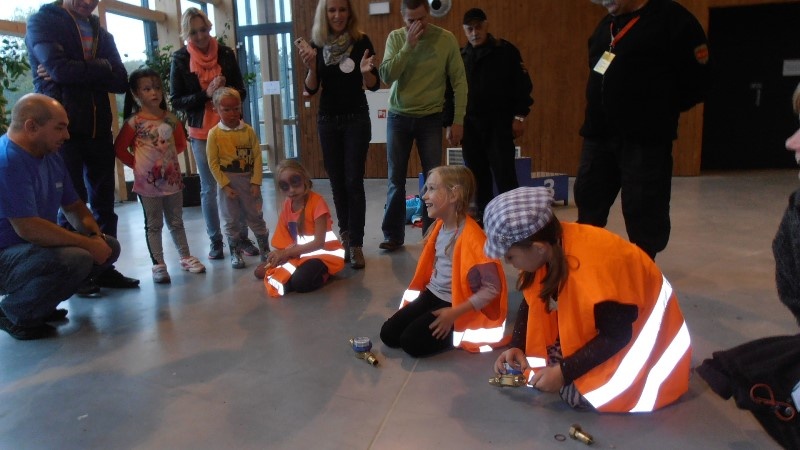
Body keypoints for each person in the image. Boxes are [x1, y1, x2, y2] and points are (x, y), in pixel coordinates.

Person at [485, 187, 690, 412]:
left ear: (538, 248)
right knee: (550, 370)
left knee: (575, 394)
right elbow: (532, 297)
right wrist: (517, 345)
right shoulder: (552, 244)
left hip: (646, 346)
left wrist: (564, 372)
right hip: (618, 324)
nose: (508, 262)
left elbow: (617, 336)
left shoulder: (592, 269)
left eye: (510, 256)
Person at [573, 0, 711, 259]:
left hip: (645, 139)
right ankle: (587, 266)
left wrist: (658, 111)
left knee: (644, 208)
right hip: (599, 135)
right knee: (589, 200)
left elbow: (698, 81)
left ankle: (643, 268)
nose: (603, 2)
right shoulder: (606, 26)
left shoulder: (674, 21)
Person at [26, 0, 139, 292]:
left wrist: (77, 68)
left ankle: (103, 267)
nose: (89, 2)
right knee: (69, 204)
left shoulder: (101, 33)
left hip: (98, 128)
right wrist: (101, 67)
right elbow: (59, 71)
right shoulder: (43, 22)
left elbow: (119, 80)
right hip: (62, 131)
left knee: (104, 203)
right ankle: (74, 274)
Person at [0, 94, 122, 340]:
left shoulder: (50, 155)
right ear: (31, 126)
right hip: (7, 254)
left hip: (32, 250)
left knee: (109, 247)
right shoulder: (8, 161)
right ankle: (13, 312)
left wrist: (95, 237)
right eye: (59, 128)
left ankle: (39, 305)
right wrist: (87, 245)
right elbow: (28, 228)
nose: (66, 135)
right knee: (76, 258)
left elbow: (74, 206)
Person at [380, 165, 509, 357]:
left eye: (432, 189)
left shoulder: (474, 239)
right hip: (433, 294)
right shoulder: (439, 226)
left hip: (456, 304)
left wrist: (455, 313)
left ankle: (457, 330)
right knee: (389, 334)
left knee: (410, 342)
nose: (424, 196)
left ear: (454, 194)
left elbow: (492, 288)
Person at [378, 0, 468, 251]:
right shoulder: (396, 38)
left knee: (434, 180)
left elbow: (459, 82)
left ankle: (432, 233)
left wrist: (457, 120)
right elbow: (386, 76)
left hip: (431, 118)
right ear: (403, 19)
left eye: (422, 19)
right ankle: (393, 235)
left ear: (429, 15)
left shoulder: (445, 39)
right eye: (411, 21)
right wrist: (408, 46)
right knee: (395, 179)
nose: (417, 25)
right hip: (398, 117)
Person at [298, 0, 381, 270]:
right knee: (337, 182)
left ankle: (356, 244)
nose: (337, 15)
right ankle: (345, 236)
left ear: (349, 12)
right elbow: (311, 89)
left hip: (356, 117)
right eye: (332, 10)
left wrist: (366, 73)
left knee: (353, 181)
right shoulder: (317, 44)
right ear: (324, 13)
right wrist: (312, 68)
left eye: (342, 9)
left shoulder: (361, 41)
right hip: (328, 120)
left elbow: (374, 85)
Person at [170, 7, 257, 261]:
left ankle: (241, 238)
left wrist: (226, 93)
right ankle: (216, 241)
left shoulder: (226, 54)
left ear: (209, 28)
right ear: (187, 34)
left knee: (237, 184)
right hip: (201, 133)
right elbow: (177, 100)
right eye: (193, 33)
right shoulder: (180, 59)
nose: (200, 37)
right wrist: (206, 94)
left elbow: (241, 91)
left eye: (203, 30)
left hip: (232, 131)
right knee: (209, 188)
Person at [114, 68, 206, 284]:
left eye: (157, 88)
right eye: (147, 89)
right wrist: (138, 166)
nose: (154, 92)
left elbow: (180, 144)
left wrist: (167, 163)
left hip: (172, 182)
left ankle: (185, 257)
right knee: (154, 224)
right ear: (136, 94)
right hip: (147, 185)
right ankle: (158, 264)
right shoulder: (134, 122)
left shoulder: (171, 119)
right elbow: (119, 149)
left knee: (176, 221)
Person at [444, 8, 533, 223]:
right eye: (470, 29)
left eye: (478, 27)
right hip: (470, 126)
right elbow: (448, 94)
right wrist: (450, 123)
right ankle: (485, 219)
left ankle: (511, 219)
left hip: (499, 124)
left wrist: (520, 116)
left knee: (505, 175)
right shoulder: (459, 57)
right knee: (477, 176)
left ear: (486, 25)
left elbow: (522, 86)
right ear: (464, 30)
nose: (475, 32)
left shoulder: (506, 51)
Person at [260, 159, 345, 297]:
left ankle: (325, 273)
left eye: (295, 182)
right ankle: (294, 275)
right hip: (300, 254)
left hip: (324, 254)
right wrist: (280, 255)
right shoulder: (287, 204)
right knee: (260, 272)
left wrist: (286, 253)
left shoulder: (317, 202)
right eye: (285, 186)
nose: (291, 190)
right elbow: (284, 238)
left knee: (300, 282)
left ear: (304, 179)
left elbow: (319, 243)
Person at [206, 88, 270, 269]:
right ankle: (235, 252)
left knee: (255, 215)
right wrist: (225, 186)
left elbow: (257, 157)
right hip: (228, 185)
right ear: (216, 110)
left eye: (236, 108)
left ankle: (265, 249)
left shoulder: (248, 131)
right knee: (230, 218)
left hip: (249, 182)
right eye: (226, 110)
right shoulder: (214, 134)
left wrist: (256, 182)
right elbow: (213, 163)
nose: (232, 113)